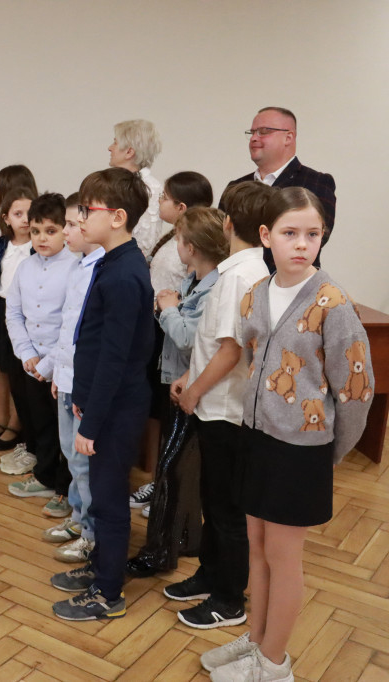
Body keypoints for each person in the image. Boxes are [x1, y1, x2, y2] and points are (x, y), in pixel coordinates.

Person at [202, 187, 372, 682]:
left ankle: (274, 663)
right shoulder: (257, 293)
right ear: (265, 237)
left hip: (301, 450)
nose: (301, 244)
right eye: (289, 233)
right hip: (258, 439)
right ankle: (256, 640)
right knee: (256, 544)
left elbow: (357, 388)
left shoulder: (332, 301)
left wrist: (325, 450)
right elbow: (257, 361)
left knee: (283, 556)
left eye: (312, 234)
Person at [165, 181, 274, 630]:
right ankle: (210, 574)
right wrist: (192, 375)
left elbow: (231, 351)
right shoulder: (244, 270)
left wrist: (193, 391)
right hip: (216, 400)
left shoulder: (236, 277)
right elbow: (218, 343)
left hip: (225, 410)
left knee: (226, 507)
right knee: (213, 497)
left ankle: (229, 598)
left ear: (228, 222)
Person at [50, 168, 153, 621]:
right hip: (101, 402)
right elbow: (93, 343)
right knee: (102, 496)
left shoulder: (123, 273)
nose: (80, 218)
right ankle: (101, 570)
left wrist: (91, 421)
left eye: (87, 211)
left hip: (116, 410)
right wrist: (83, 397)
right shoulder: (111, 262)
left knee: (109, 501)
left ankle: (108, 592)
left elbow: (118, 358)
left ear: (117, 217)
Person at [126, 207, 227, 578]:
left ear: (192, 246)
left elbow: (189, 340)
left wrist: (168, 310)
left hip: (190, 390)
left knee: (171, 472)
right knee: (177, 471)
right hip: (177, 379)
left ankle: (160, 551)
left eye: (180, 240)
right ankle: (185, 539)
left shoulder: (213, 287)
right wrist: (167, 307)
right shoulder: (195, 280)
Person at [136, 171, 215, 514]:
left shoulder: (190, 260)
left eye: (164, 197)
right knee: (164, 419)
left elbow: (187, 330)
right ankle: (160, 481)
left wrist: (168, 308)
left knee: (176, 429)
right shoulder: (171, 240)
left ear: (181, 207)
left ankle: (168, 491)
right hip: (163, 332)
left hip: (172, 339)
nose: (158, 201)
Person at [42, 193, 104, 564]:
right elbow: (69, 329)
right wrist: (60, 372)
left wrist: (73, 378)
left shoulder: (100, 268)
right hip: (67, 377)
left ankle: (91, 532)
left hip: (82, 383)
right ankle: (79, 518)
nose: (67, 231)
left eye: (71, 224)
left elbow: (90, 336)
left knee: (83, 462)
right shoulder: (78, 266)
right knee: (70, 455)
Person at [4, 193, 75, 518]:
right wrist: (26, 353)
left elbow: (70, 323)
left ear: (65, 231)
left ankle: (65, 489)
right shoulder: (25, 266)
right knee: (41, 424)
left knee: (65, 433)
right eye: (35, 231)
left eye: (50, 231)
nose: (42, 238)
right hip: (31, 361)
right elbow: (14, 313)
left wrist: (47, 363)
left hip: (60, 364)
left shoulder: (75, 267)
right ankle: (45, 476)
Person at [219, 107, 336, 270]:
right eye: (252, 132)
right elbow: (220, 237)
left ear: (288, 137)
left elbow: (317, 237)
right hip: (237, 282)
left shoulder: (317, 182)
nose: (254, 138)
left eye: (263, 131)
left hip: (293, 284)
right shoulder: (236, 186)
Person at [0, 164, 37, 451]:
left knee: (17, 369)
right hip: (1, 311)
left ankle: (17, 422)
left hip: (25, 314)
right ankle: (2, 420)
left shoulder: (38, 246)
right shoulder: (1, 244)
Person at [108, 119, 163, 257]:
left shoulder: (148, 189)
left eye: (115, 142)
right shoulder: (117, 184)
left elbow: (143, 243)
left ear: (129, 152)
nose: (110, 148)